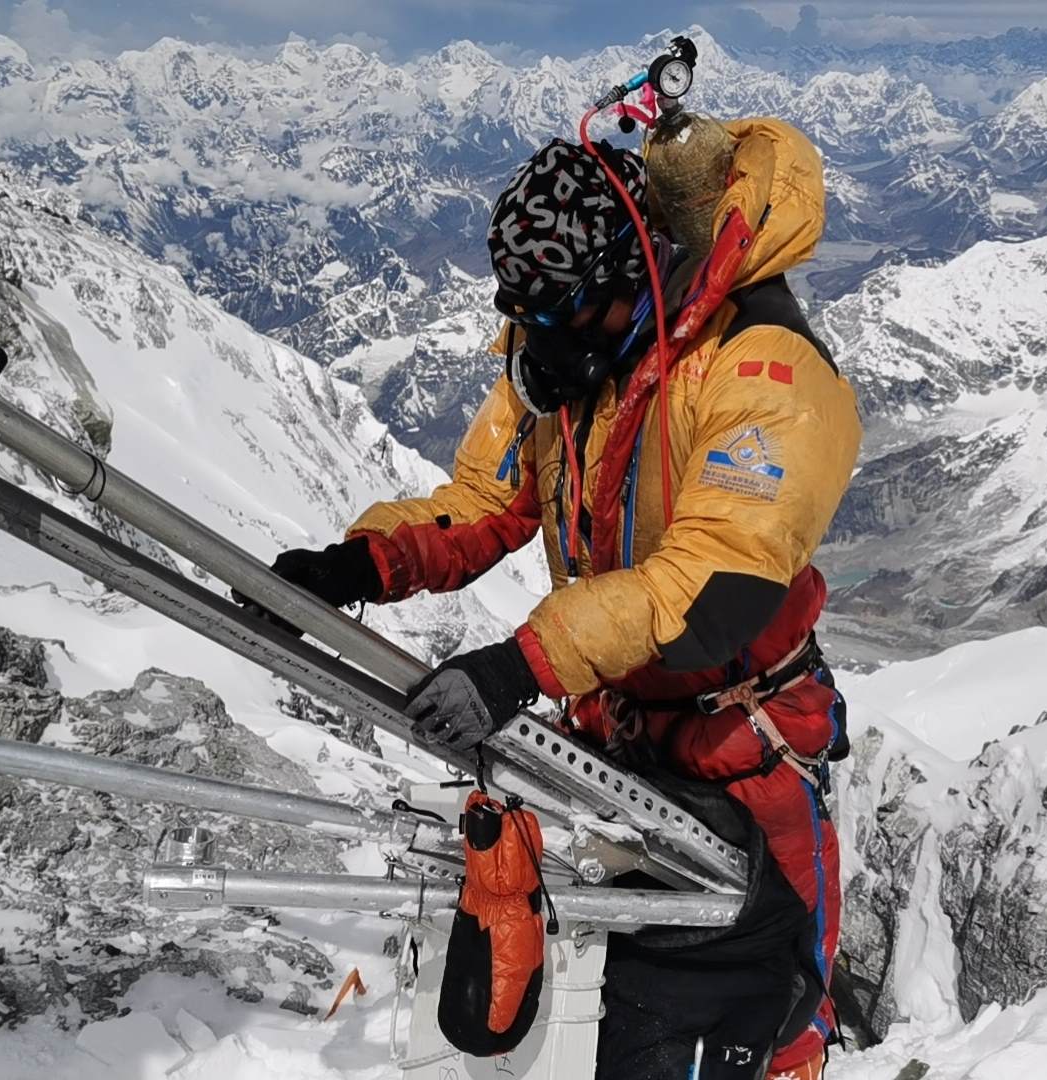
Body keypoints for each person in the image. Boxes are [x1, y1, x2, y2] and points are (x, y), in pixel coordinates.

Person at [259, 115, 861, 1080]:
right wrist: (358, 567)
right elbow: (484, 503)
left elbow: (714, 583)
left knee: (757, 1004)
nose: (544, 342)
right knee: (604, 1007)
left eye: (566, 314)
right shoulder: (572, 361)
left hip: (743, 750)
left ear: (636, 269)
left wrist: (523, 663)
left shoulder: (764, 371)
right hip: (619, 734)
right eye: (530, 318)